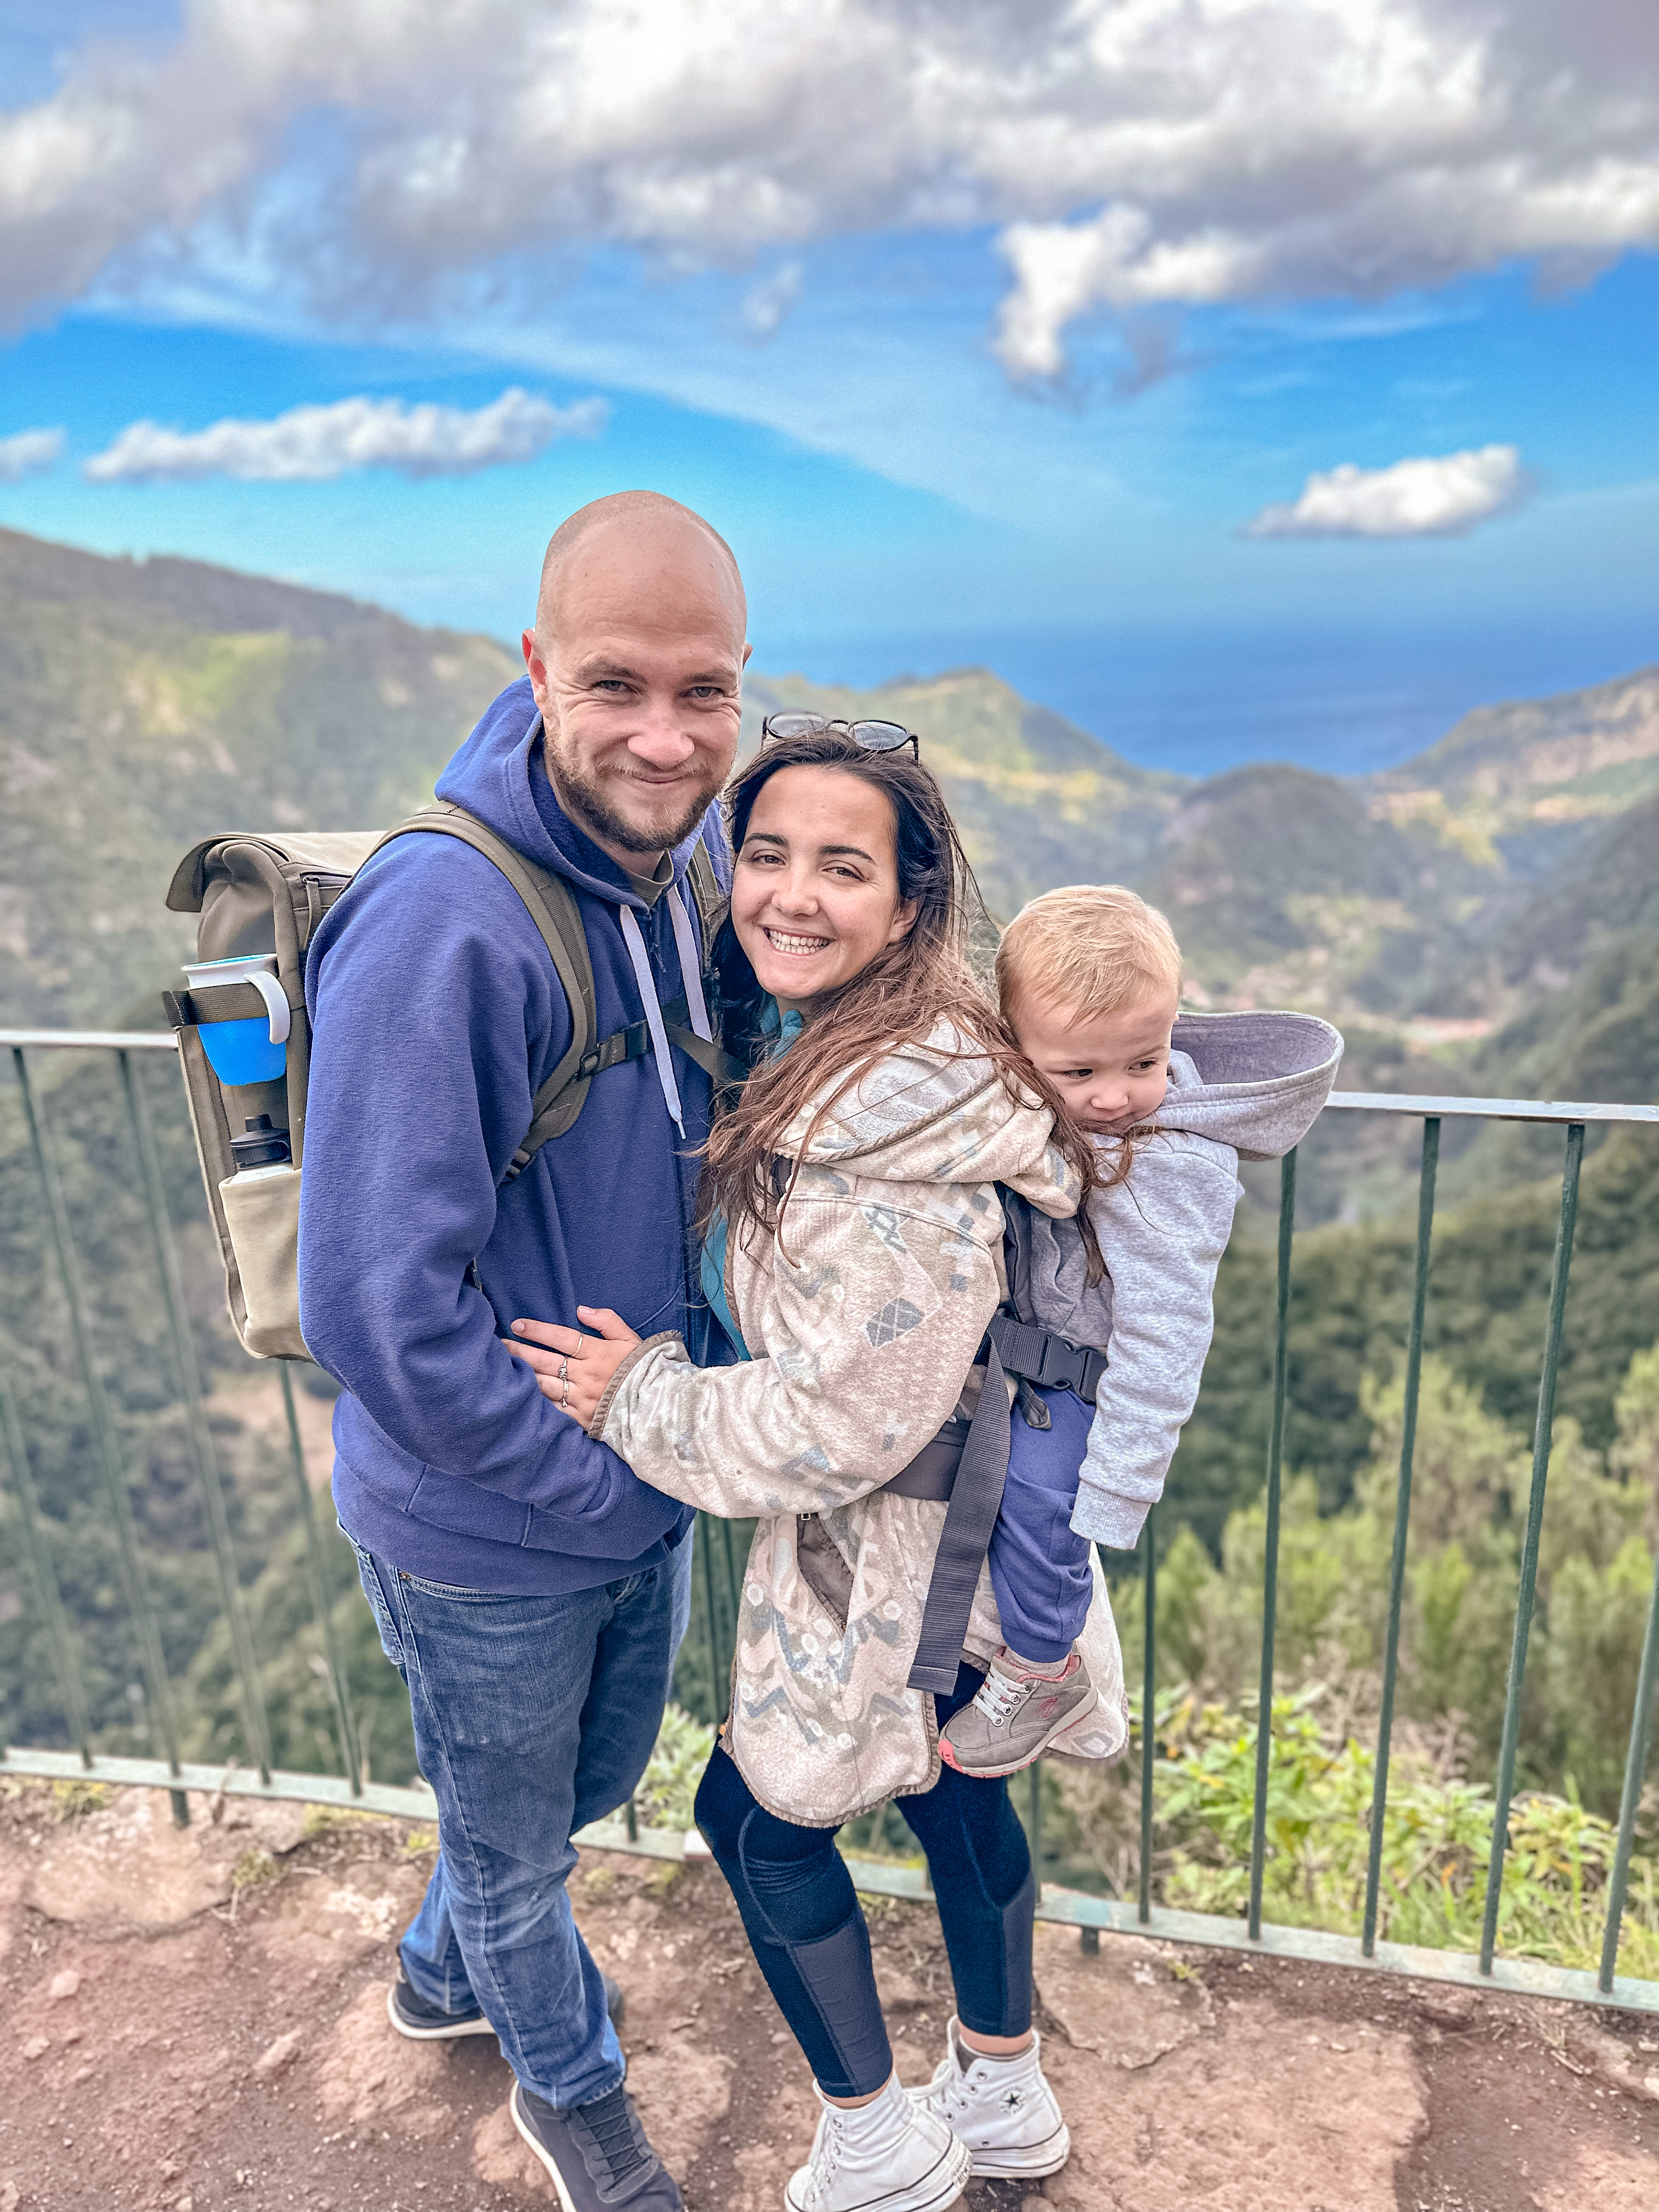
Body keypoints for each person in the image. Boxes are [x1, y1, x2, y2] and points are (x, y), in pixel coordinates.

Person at [506, 723, 1129, 2212]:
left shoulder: (885, 1140)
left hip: (905, 1565)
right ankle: (1004, 2093)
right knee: (956, 1799)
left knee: (751, 1823)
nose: (791, 894)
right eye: (767, 856)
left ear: (909, 908)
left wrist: (638, 1396)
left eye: (843, 867)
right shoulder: (876, 1055)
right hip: (973, 1542)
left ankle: (877, 2148)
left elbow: (839, 1421)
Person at [298, 490, 750, 2212]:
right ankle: (576, 2099)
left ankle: (442, 1972)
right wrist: (599, 1480)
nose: (666, 735)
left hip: (639, 1474)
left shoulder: (686, 858)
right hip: (494, 1528)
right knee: (519, 1854)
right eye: (618, 683)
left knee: (563, 1802)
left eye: (705, 690)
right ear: (539, 668)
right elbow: (371, 1306)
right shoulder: (447, 925)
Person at [936, 883, 1343, 1776]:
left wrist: (1120, 1484)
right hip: (1026, 1360)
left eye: (1144, 1063)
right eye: (1078, 1074)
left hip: (1087, 1383)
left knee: (1042, 1500)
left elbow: (1168, 1329)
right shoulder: (1035, 1100)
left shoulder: (1165, 1163)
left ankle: (1044, 1670)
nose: (1117, 1096)